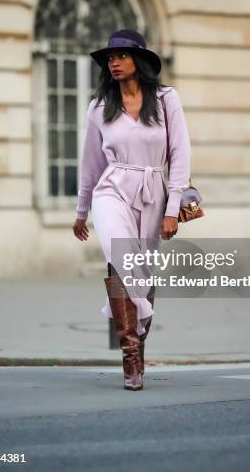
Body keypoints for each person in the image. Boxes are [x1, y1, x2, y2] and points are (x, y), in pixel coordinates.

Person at [72, 29, 191, 391]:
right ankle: (130, 354)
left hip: (154, 192)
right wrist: (82, 209)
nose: (114, 62)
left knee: (141, 273)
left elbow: (180, 156)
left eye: (121, 56)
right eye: (110, 58)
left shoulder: (167, 99)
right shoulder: (98, 107)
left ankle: (137, 335)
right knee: (119, 256)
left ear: (138, 61)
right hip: (112, 189)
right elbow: (91, 164)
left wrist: (173, 208)